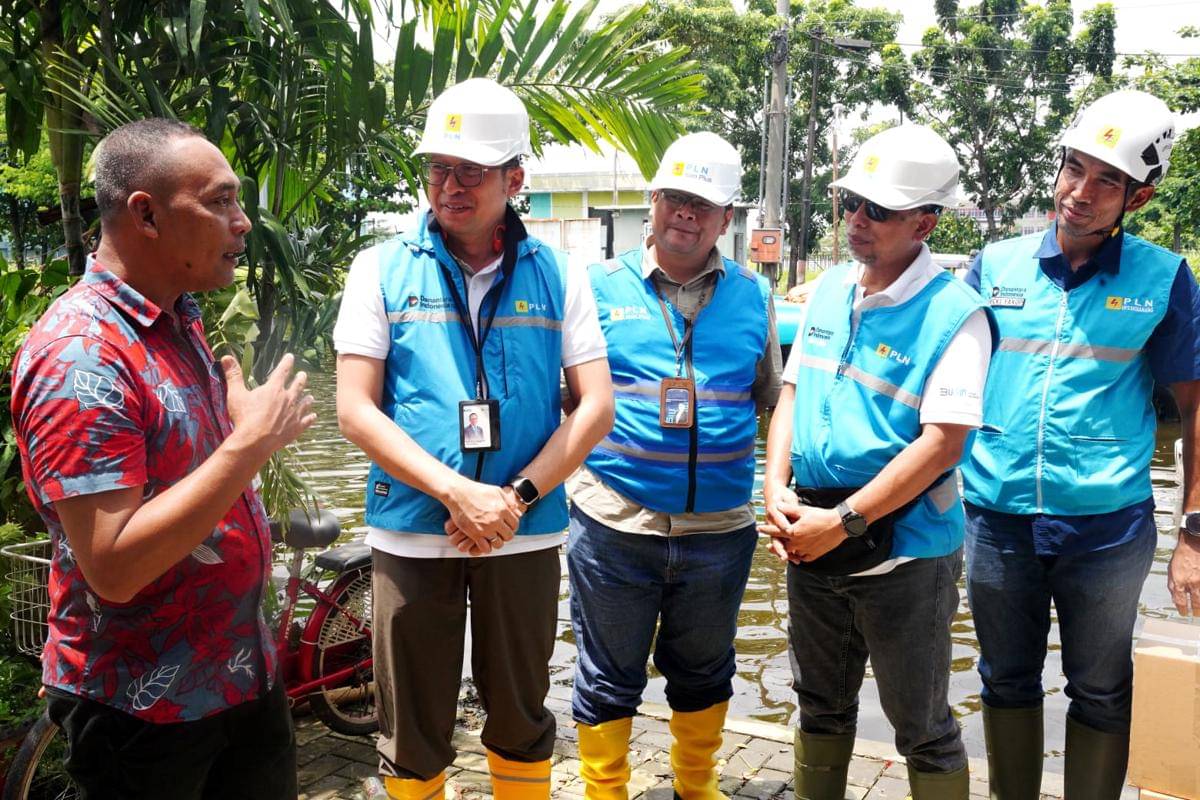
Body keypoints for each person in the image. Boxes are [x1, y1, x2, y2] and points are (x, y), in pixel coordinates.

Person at [10, 118, 313, 798]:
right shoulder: (80, 353)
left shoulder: (177, 320)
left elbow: (193, 489)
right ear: (145, 213)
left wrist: (232, 437)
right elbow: (113, 566)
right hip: (143, 712)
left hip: (239, 679)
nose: (241, 223)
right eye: (219, 201)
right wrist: (249, 444)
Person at [334, 77, 613, 800]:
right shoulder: (382, 269)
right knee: (412, 727)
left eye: (471, 170)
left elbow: (595, 408)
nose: (450, 185)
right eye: (438, 168)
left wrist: (514, 498)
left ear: (515, 178)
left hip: (522, 533)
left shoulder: (559, 275)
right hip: (414, 530)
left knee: (520, 713)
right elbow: (355, 410)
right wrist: (458, 491)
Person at [959, 89, 1200, 799]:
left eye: (1106, 180)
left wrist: (1192, 534)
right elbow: (947, 395)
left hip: (1106, 527)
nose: (1080, 192)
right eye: (1075, 168)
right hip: (996, 520)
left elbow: (1195, 410)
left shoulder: (1165, 280)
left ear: (1140, 196)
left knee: (1099, 687)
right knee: (1004, 678)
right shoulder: (993, 265)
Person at [760, 124, 994, 800]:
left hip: (904, 556)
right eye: (852, 203)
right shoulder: (831, 291)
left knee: (920, 724)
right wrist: (774, 486)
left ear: (926, 220)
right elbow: (794, 393)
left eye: (879, 211)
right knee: (819, 704)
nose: (858, 221)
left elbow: (943, 444)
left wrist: (843, 523)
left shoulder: (956, 315)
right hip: (810, 537)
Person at [568, 131, 782, 799]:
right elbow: (562, 402)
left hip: (719, 529)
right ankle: (605, 790)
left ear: (726, 218)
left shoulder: (755, 295)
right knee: (608, 675)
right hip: (613, 522)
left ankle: (697, 786)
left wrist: (781, 491)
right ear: (652, 201)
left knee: (705, 669)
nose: (687, 215)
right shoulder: (595, 287)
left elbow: (774, 402)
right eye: (677, 199)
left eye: (705, 205)